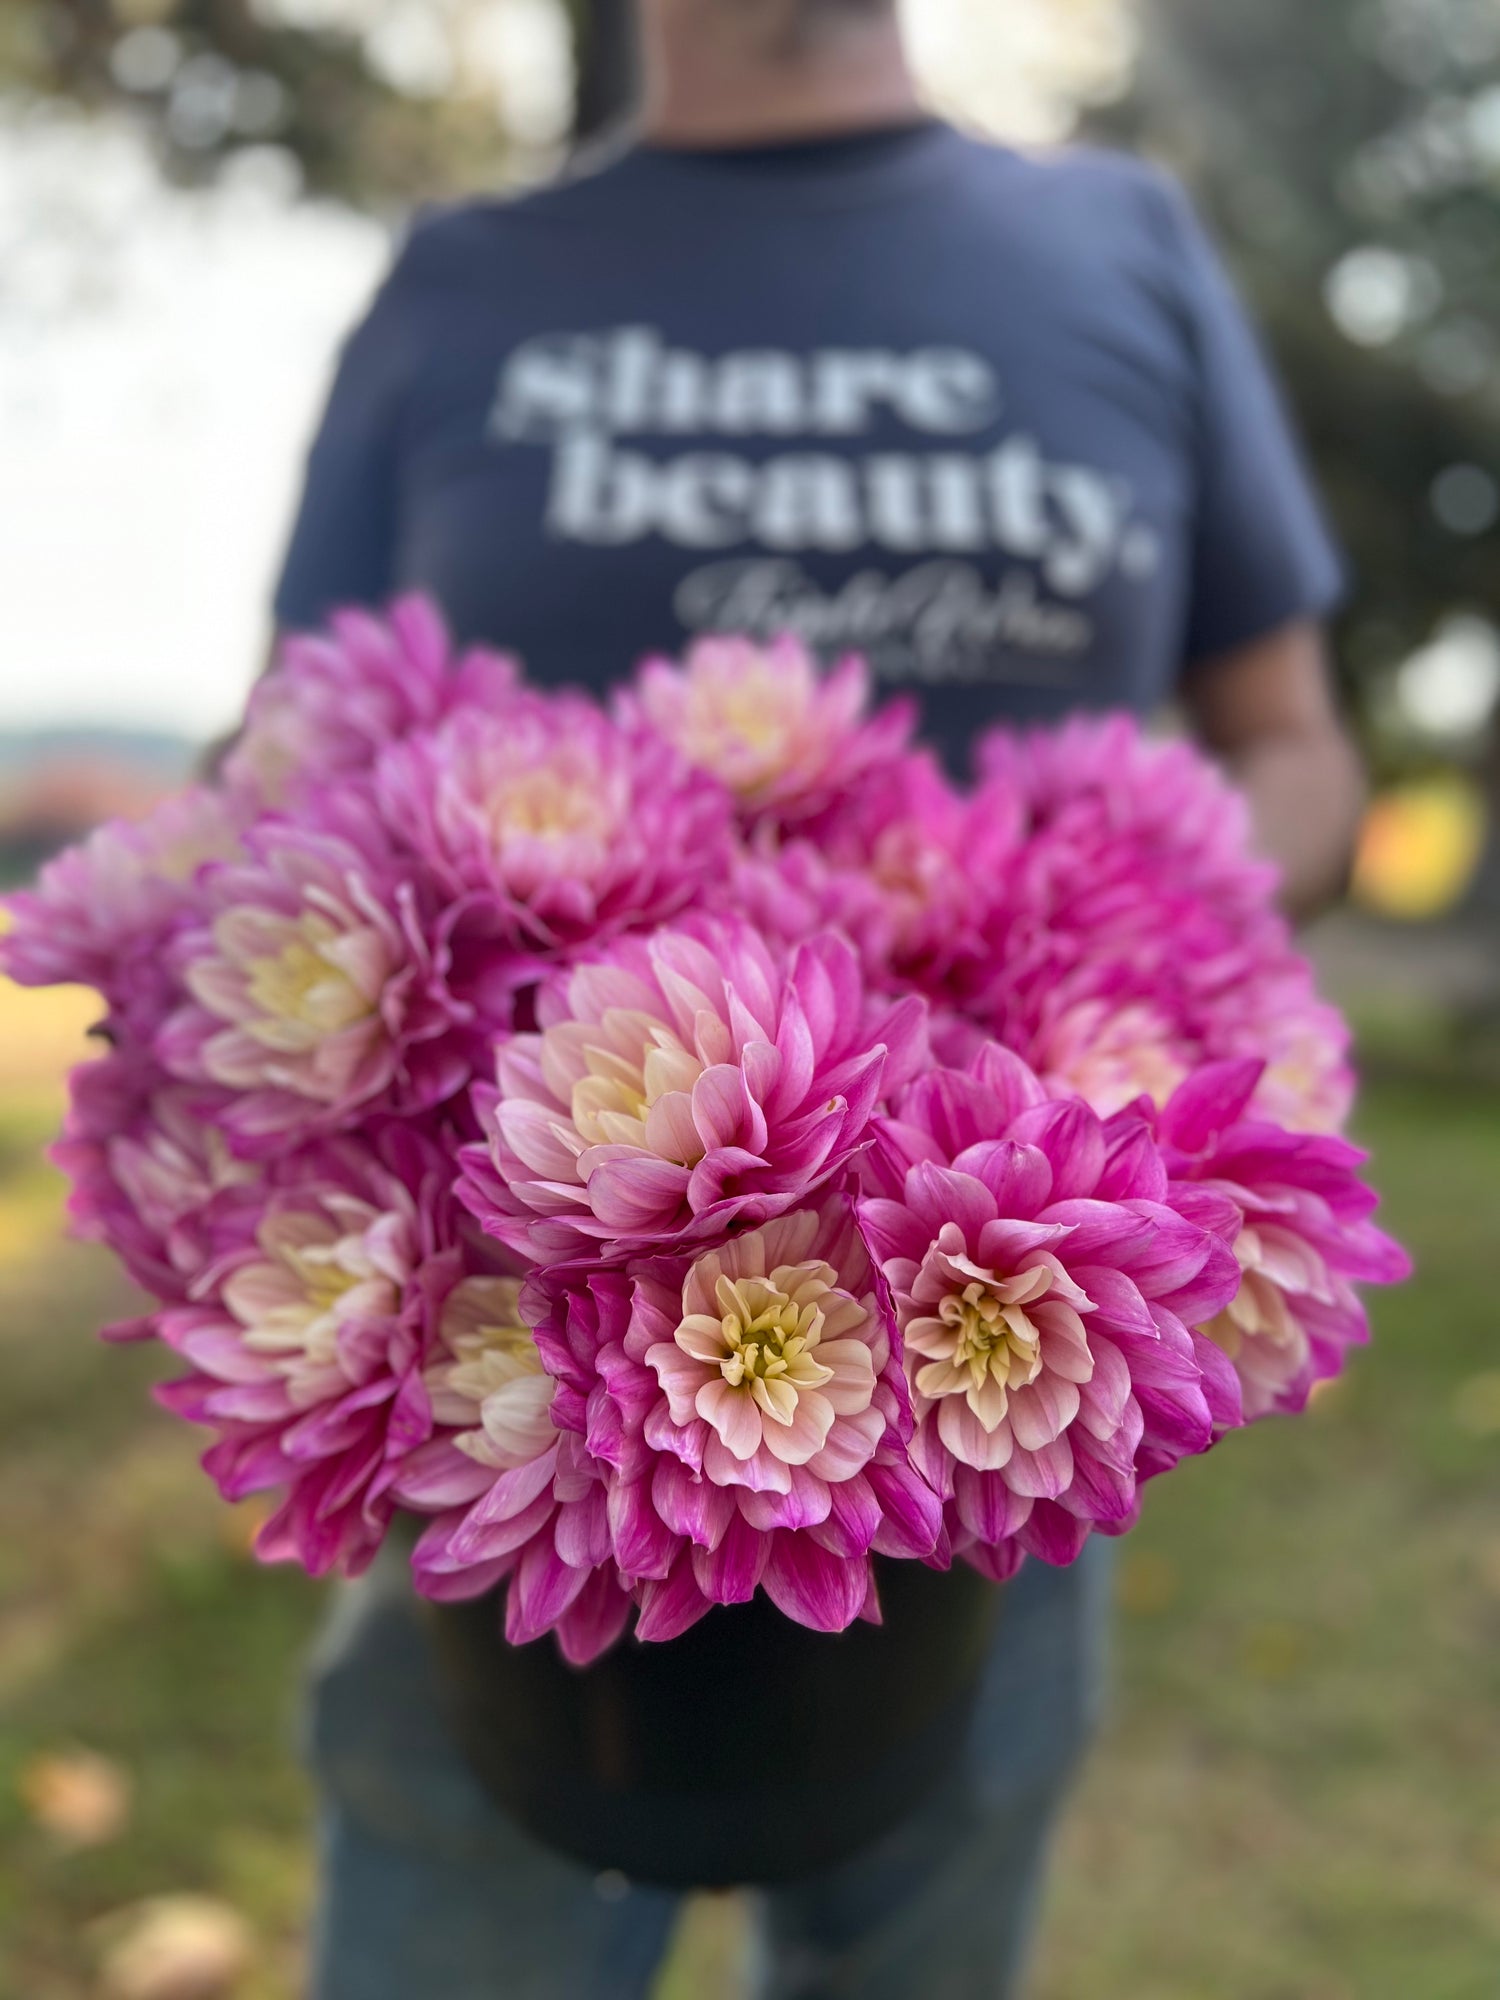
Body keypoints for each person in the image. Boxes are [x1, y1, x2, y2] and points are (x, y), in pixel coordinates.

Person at [272, 3, 1365, 1993]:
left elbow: (1293, 746)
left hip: (1003, 1356)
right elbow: (289, 762)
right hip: (509, 1374)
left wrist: (1145, 935)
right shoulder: (461, 285)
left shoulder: (1125, 242)